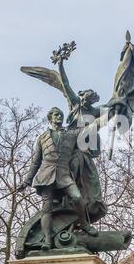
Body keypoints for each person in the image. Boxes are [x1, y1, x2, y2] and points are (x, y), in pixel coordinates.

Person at [17, 106, 110, 250]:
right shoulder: (42, 138)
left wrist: (108, 114)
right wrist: (27, 181)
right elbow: (36, 162)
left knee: (77, 198)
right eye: (55, 115)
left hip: (64, 174)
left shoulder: (71, 134)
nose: (59, 117)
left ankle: (84, 224)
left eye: (60, 114)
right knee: (46, 209)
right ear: (50, 118)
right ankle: (47, 240)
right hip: (45, 176)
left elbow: (93, 126)